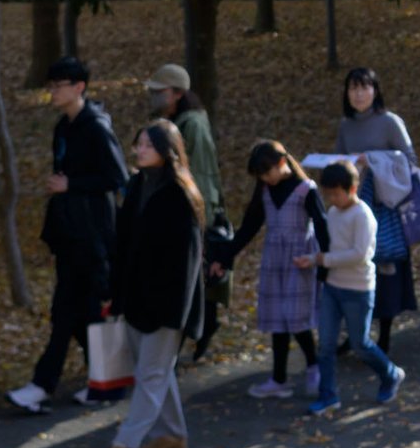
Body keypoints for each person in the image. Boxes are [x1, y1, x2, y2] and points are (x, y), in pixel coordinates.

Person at [8, 56, 127, 415]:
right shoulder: (63, 127)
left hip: (92, 237)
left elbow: (116, 177)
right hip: (69, 234)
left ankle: (44, 385)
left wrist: (71, 185)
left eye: (59, 86)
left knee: (70, 311)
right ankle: (105, 381)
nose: (53, 92)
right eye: (51, 86)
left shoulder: (96, 127)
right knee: (76, 312)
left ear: (79, 87)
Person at [101, 121, 209, 448]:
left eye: (148, 144)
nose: (140, 149)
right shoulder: (137, 186)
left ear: (167, 150)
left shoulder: (180, 194)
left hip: (167, 304)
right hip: (136, 298)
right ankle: (173, 436)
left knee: (150, 374)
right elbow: (123, 245)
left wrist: (176, 312)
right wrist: (114, 294)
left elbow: (187, 261)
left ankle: (124, 446)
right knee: (155, 372)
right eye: (139, 143)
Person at [217, 140, 327, 397]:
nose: (265, 179)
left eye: (267, 172)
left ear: (282, 163)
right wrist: (224, 257)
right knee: (278, 320)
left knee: (296, 318)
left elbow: (322, 226)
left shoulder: (305, 189)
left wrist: (324, 263)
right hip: (274, 261)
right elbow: (249, 226)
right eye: (260, 175)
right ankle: (279, 379)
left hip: (300, 261)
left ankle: (314, 366)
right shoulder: (266, 190)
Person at [300, 161, 405, 415]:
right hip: (332, 287)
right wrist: (313, 259)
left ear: (352, 189)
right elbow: (331, 247)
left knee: (360, 343)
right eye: (329, 194)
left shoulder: (363, 216)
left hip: (358, 289)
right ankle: (328, 395)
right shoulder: (334, 213)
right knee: (326, 345)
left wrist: (323, 260)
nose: (332, 199)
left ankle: (390, 373)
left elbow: (360, 254)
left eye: (337, 194)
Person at [335, 67, 420, 352]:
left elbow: (410, 160)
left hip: (385, 208)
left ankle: (384, 335)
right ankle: (355, 333)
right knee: (352, 270)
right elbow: (338, 161)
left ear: (375, 90)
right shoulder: (345, 126)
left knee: (386, 270)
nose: (359, 94)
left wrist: (372, 160)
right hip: (353, 207)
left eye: (365, 87)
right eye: (353, 88)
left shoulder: (389, 122)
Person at [147, 64, 227, 360]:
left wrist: (200, 216)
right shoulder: (175, 121)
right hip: (178, 209)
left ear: (178, 93)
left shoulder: (192, 124)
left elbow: (203, 173)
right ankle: (202, 326)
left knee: (193, 274)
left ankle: (198, 329)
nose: (154, 95)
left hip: (193, 212)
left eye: (160, 91)